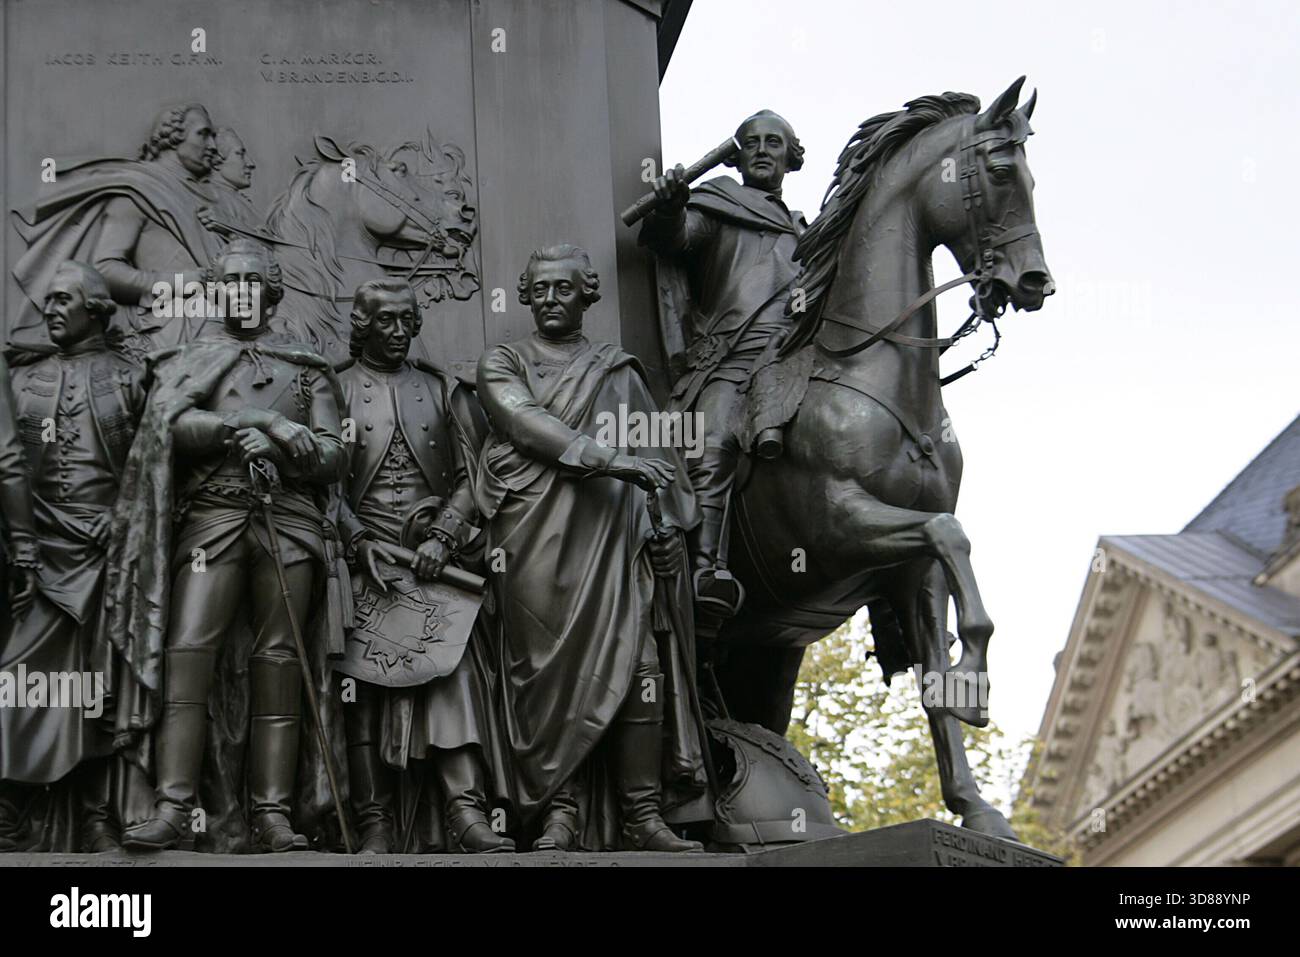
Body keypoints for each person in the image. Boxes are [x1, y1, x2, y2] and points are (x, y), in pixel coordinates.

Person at [114, 240, 347, 852]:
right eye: (231, 281)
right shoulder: (190, 359)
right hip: (212, 521)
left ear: (272, 294)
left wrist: (288, 451)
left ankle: (272, 813)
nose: (242, 291)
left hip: (286, 524)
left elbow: (335, 454)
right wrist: (255, 424)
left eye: (254, 282)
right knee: (188, 652)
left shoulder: (306, 367)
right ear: (218, 291)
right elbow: (170, 426)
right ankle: (172, 805)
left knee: (279, 663)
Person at [476, 244, 707, 852]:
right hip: (534, 542)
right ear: (525, 295)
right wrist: (611, 459)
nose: (552, 299)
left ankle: (642, 813)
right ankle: (561, 812)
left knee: (640, 671)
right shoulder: (502, 363)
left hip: (614, 539)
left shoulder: (619, 370)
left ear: (588, 294)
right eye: (541, 289)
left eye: (565, 288)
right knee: (546, 677)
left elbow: (659, 461)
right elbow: (526, 423)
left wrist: (670, 535)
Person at [335, 278, 513, 853]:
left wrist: (443, 535)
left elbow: (473, 474)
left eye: (406, 321)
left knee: (452, 673)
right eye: (384, 320)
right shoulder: (333, 389)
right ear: (363, 324)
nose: (396, 331)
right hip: (362, 565)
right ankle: (374, 823)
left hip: (437, 566)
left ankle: (466, 811)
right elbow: (319, 486)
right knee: (356, 691)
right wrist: (358, 539)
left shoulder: (442, 390)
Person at [0, 263, 146, 852]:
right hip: (38, 549)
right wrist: (23, 545)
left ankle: (96, 814)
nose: (51, 309)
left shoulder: (131, 378)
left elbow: (152, 464)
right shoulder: (21, 380)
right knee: (19, 677)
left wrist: (127, 517)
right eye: (47, 301)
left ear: (97, 309)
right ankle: (9, 803)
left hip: (107, 551)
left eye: (64, 299)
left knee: (100, 685)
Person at [639, 110, 807, 615]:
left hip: (794, 357)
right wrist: (669, 207)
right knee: (713, 439)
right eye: (751, 141)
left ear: (790, 156)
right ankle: (707, 568)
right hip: (734, 359)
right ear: (737, 156)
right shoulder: (718, 205)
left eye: (773, 142)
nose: (761, 149)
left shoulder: (805, 231)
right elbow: (675, 237)